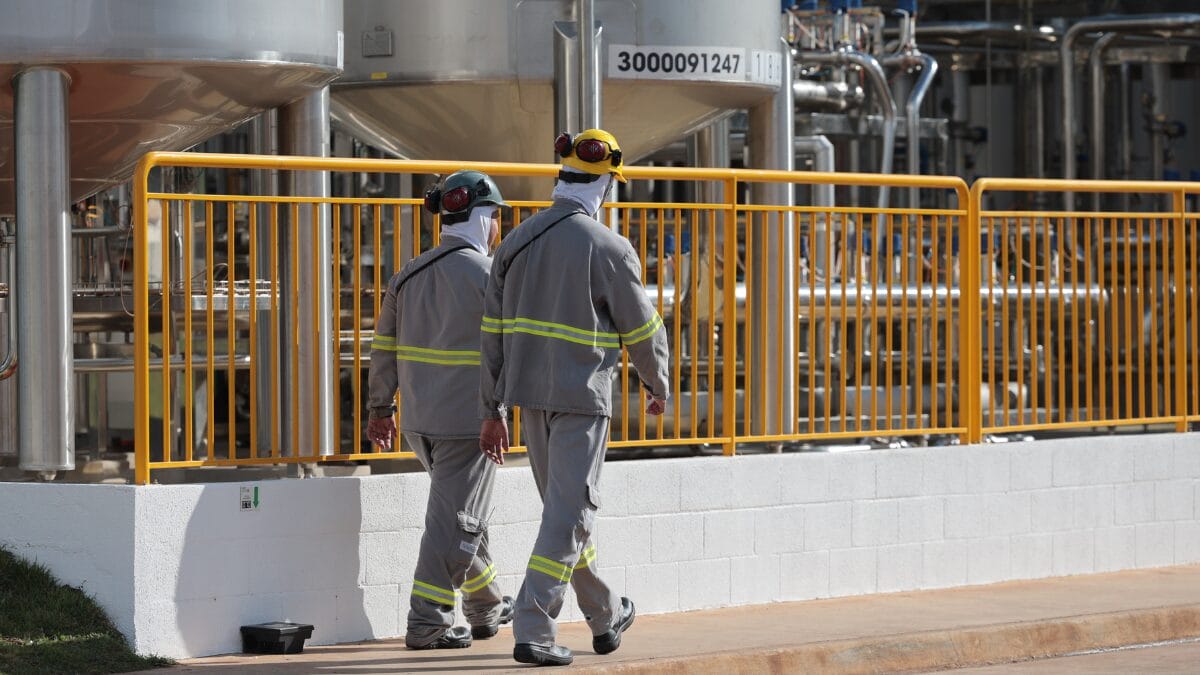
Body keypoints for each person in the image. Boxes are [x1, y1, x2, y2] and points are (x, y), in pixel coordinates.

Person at [478, 129, 670, 667]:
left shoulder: (513, 243)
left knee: (564, 516)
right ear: (606, 182)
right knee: (569, 516)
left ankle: (606, 614)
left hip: (526, 400)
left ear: (560, 178)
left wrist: (490, 410)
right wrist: (658, 384)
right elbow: (643, 328)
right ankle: (534, 627)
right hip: (582, 399)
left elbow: (489, 337)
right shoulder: (608, 246)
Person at [367, 169, 514, 650]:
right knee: (456, 526)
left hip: (419, 423)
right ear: (482, 219)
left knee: (462, 516)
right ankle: (426, 622)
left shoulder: (406, 275)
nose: (499, 229)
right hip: (471, 423)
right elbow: (508, 351)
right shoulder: (492, 277)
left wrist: (379, 408)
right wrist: (502, 412)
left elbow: (382, 348)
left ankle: (486, 606)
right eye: (496, 219)